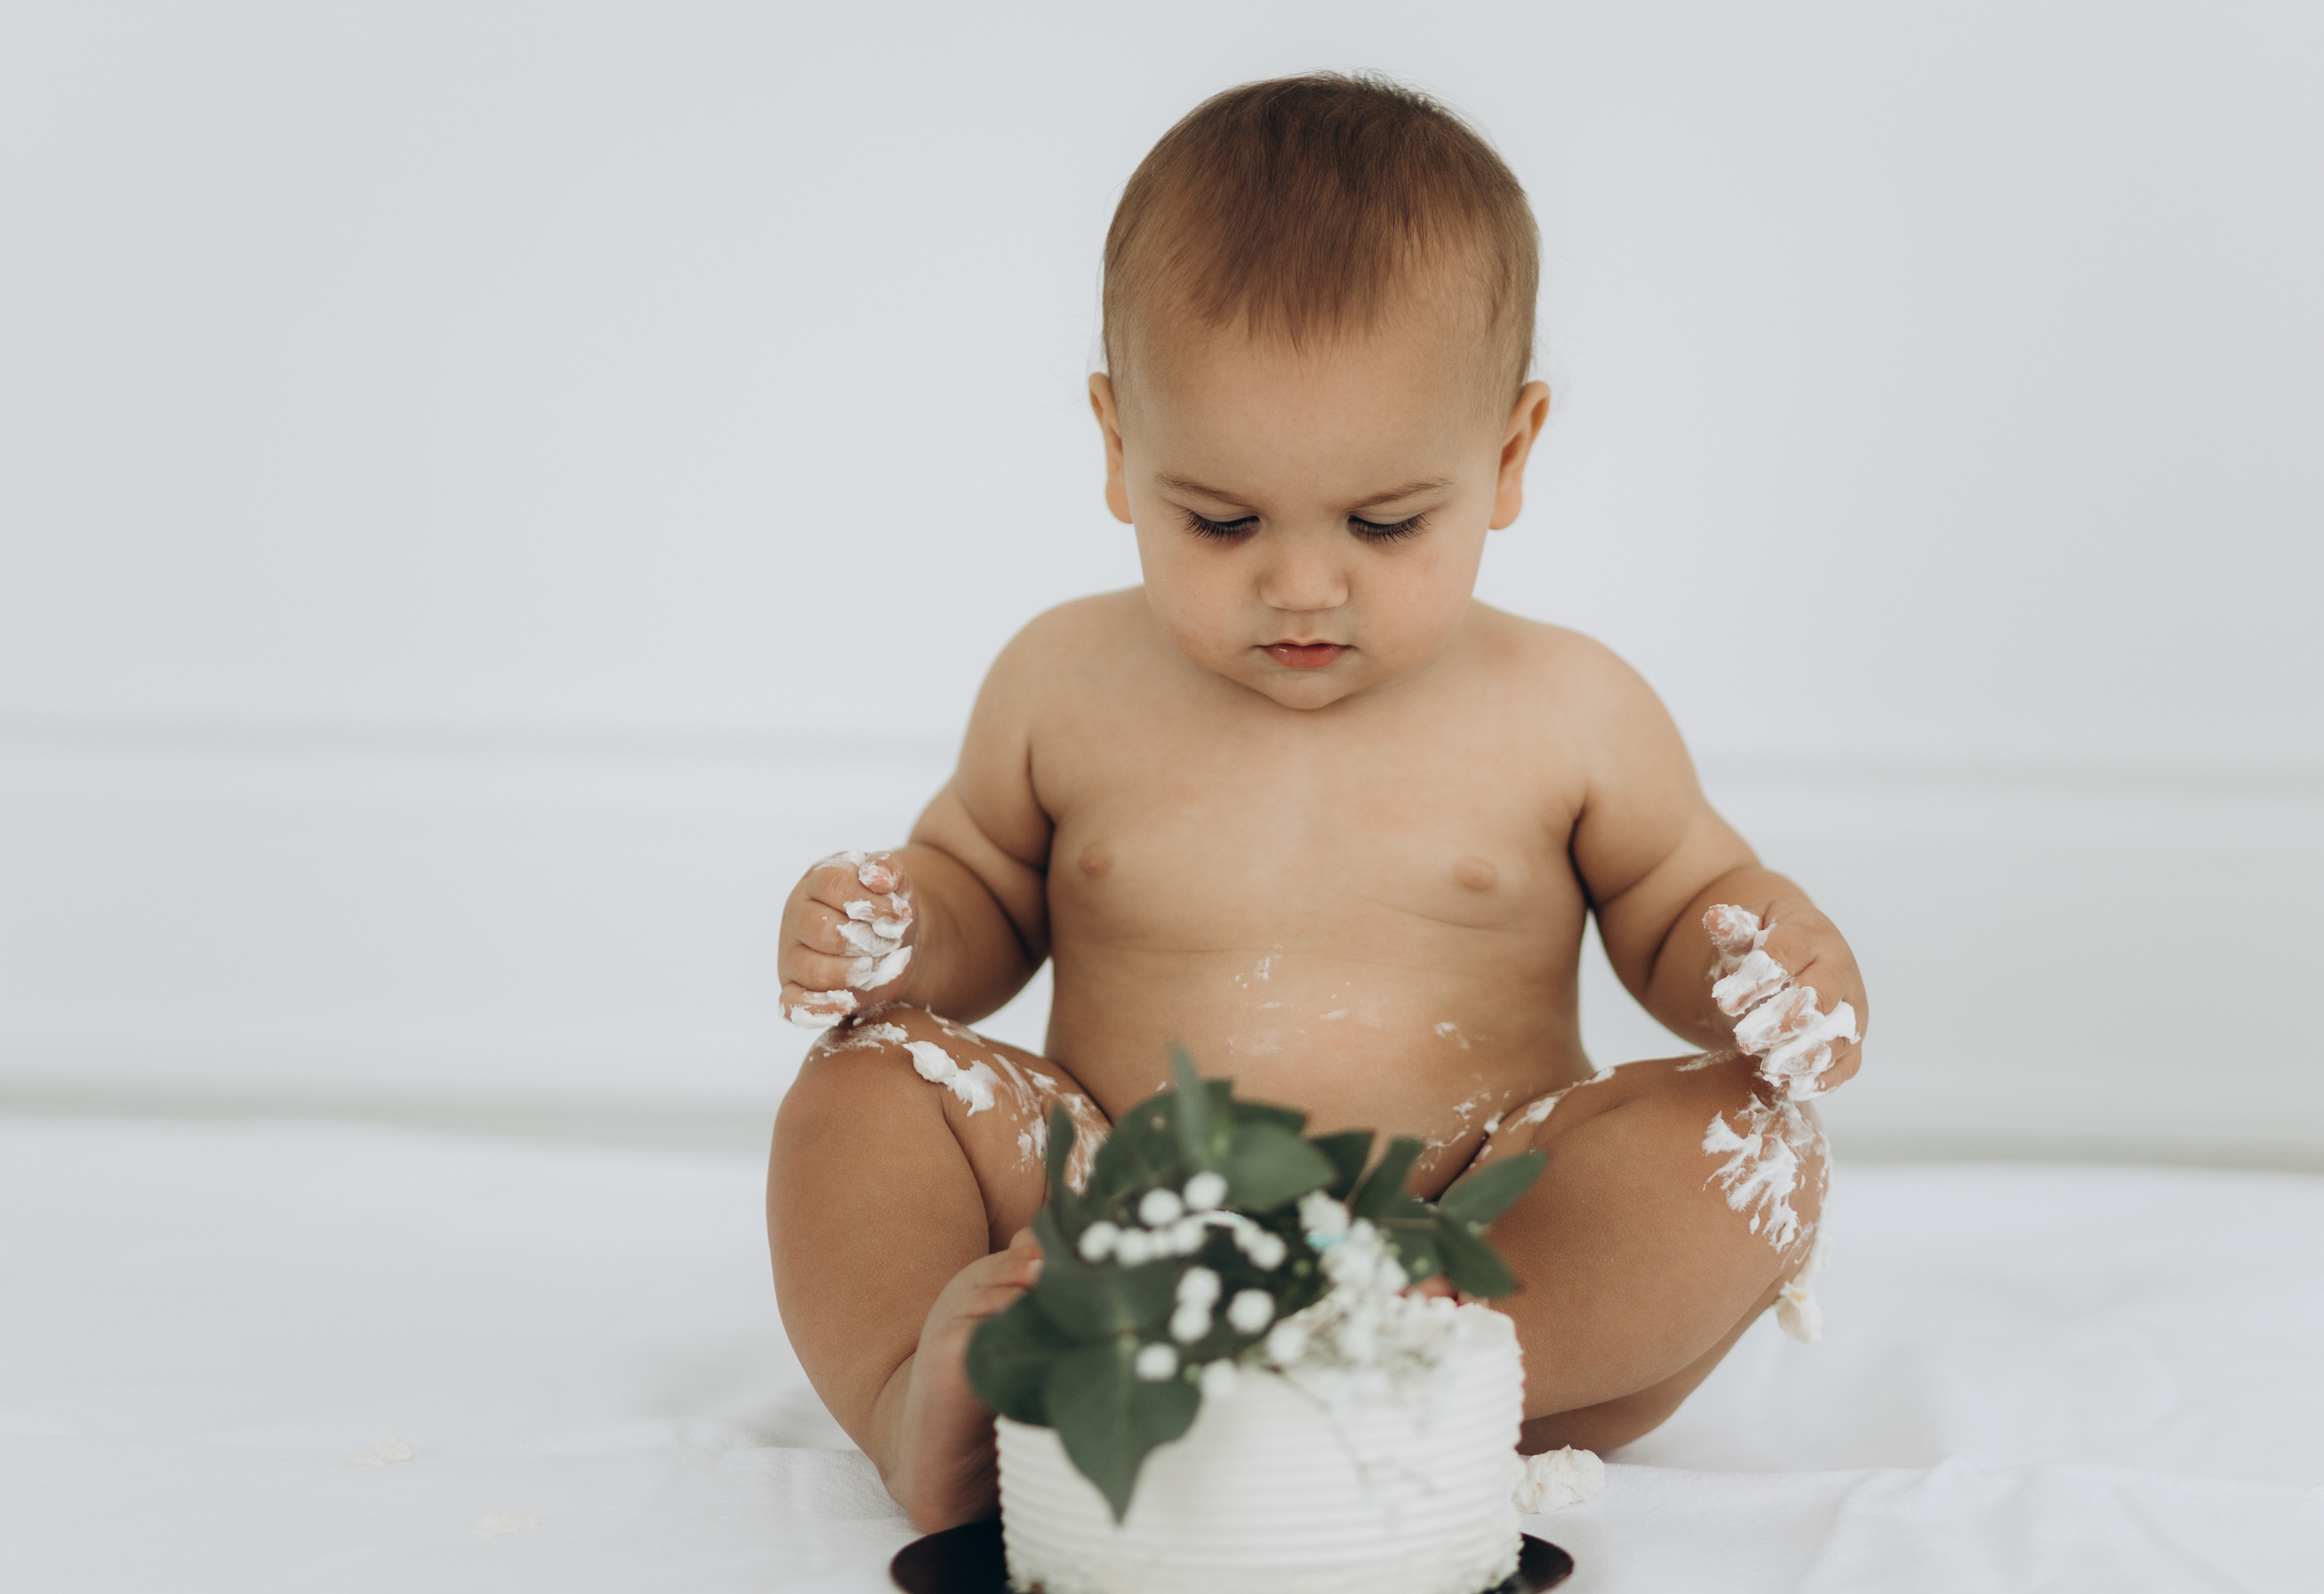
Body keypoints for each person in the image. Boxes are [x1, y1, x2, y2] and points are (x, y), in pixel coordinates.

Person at [766, 73, 1869, 1532]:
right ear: (1115, 445)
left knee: (1755, 1147)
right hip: (1110, 1221)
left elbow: (1677, 911)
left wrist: (1764, 964)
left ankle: (1389, 1373)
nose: (1300, 584)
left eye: (1384, 523)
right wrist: (899, 934)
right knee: (865, 1085)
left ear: (1510, 456)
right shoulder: (1062, 682)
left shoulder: (1572, 709)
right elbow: (980, 894)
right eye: (1219, 520)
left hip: (1468, 1236)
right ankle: (928, 1390)